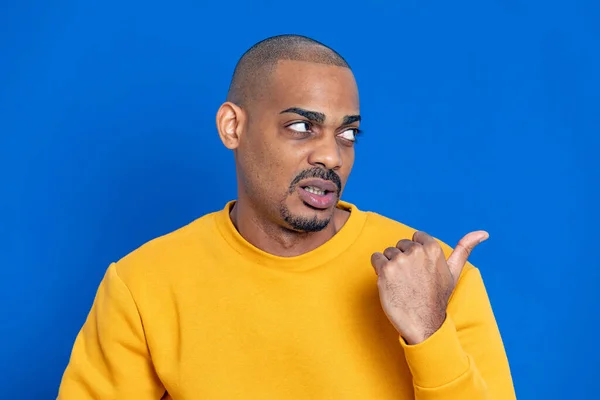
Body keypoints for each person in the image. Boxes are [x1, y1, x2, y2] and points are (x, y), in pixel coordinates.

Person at [58, 34, 516, 399]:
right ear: (232, 127)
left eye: (348, 133)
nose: (331, 155)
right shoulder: (143, 283)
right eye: (301, 127)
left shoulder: (432, 276)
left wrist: (428, 331)